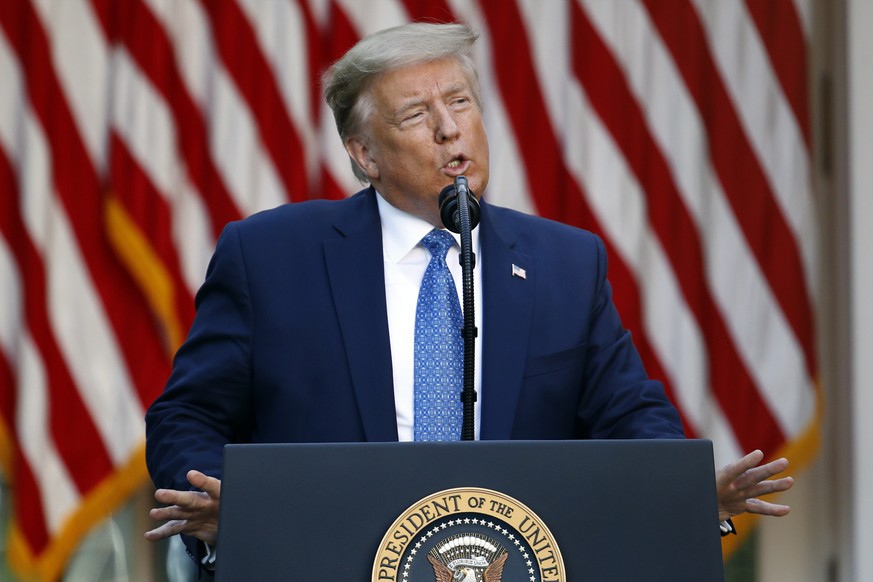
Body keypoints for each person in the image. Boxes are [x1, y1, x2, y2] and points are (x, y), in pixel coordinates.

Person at [144, 22, 793, 571]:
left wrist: (679, 491)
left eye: (460, 103)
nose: (451, 131)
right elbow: (187, 414)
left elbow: (628, 415)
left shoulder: (563, 264)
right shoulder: (270, 257)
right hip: (321, 559)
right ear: (364, 153)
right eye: (417, 115)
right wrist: (229, 508)